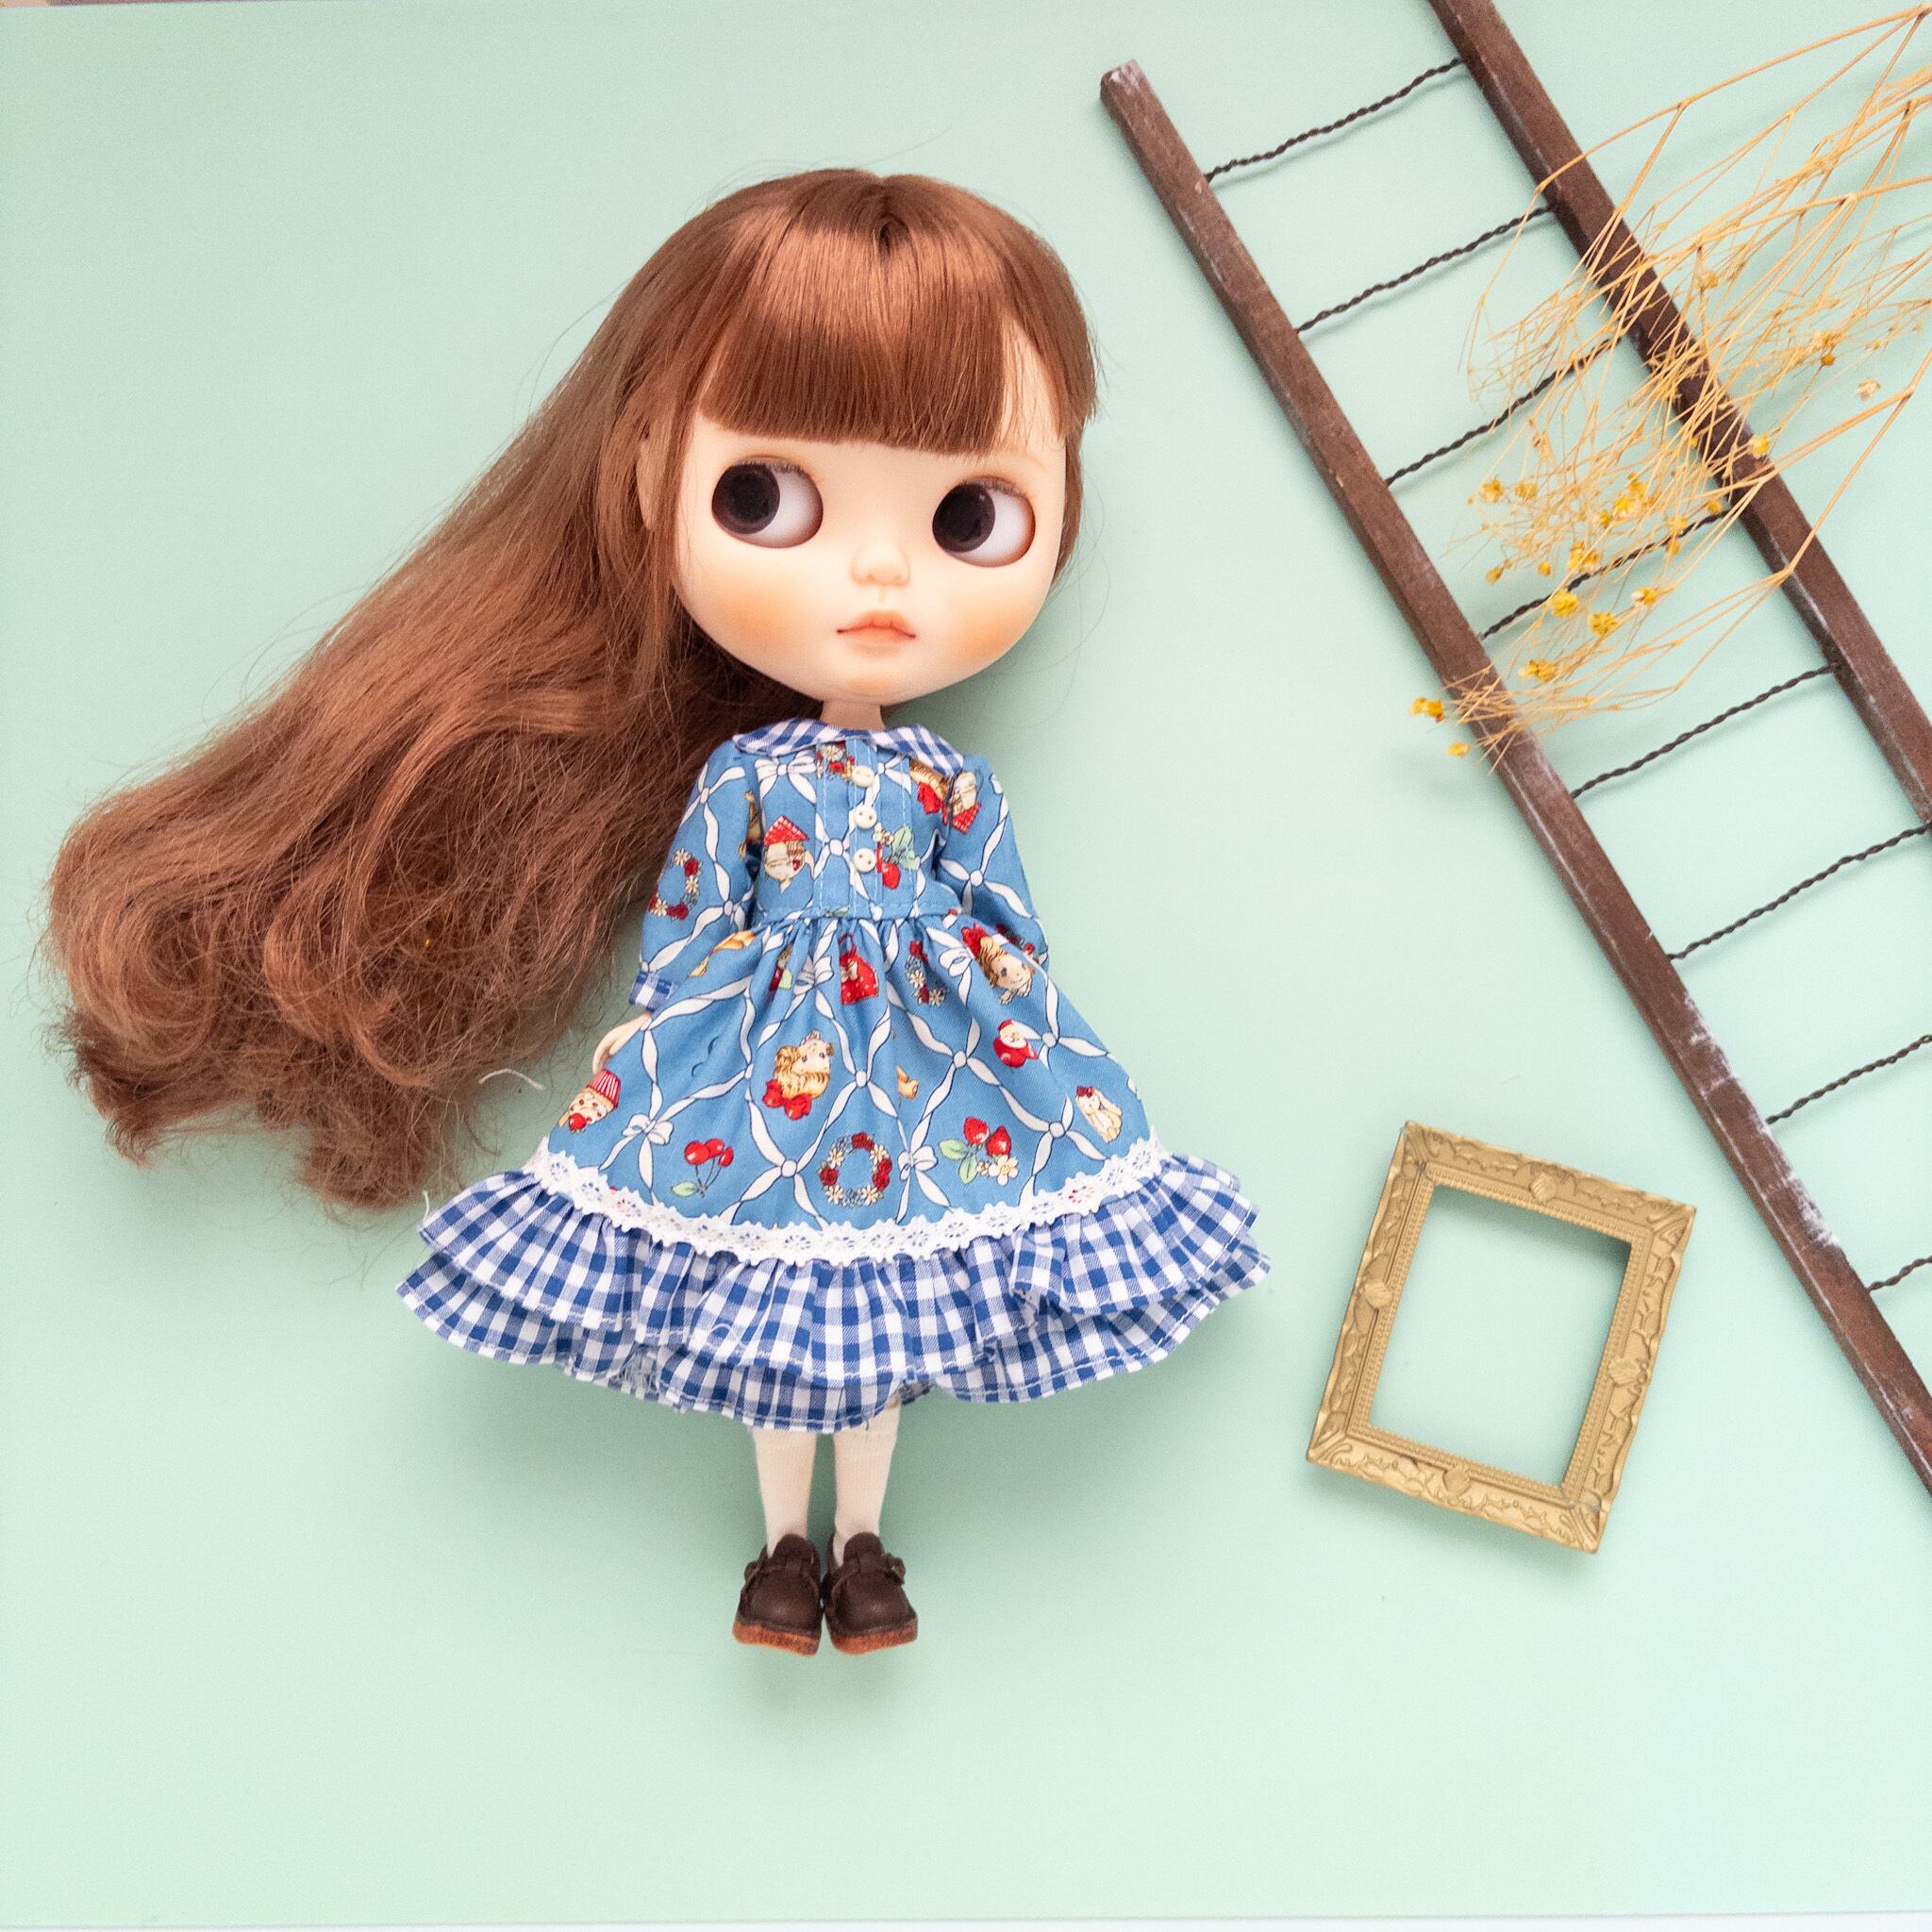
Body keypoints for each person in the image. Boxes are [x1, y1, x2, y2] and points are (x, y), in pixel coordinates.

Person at [43, 168, 1271, 1657]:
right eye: (766, 498)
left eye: (968, 514)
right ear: (648, 483)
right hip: (764, 1073)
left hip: (926, 1074)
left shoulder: (950, 780)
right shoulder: (744, 777)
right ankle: (782, 1555)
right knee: (776, 1325)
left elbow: (1004, 927)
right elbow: (692, 923)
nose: (879, 570)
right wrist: (668, 1046)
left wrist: (1018, 1037)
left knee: (880, 1326)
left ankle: (866, 1547)